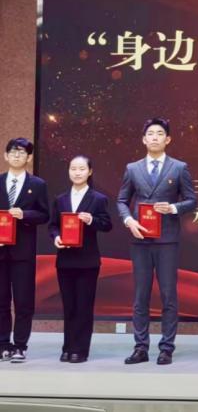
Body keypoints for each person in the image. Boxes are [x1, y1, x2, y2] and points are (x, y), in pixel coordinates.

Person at [117, 118, 197, 365]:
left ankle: (166, 347)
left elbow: (192, 200)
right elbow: (122, 200)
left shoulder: (179, 167)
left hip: (167, 240)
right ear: (144, 139)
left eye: (159, 133)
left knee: (168, 295)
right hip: (140, 239)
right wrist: (129, 221)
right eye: (150, 133)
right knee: (140, 295)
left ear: (167, 139)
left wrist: (173, 207)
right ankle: (140, 347)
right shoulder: (132, 168)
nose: (154, 137)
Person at [48, 155, 112, 363]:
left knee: (84, 306)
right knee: (69, 306)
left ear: (89, 172)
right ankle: (67, 347)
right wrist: (56, 237)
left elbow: (107, 224)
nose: (77, 172)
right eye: (73, 168)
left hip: (87, 261)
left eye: (82, 169)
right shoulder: (60, 199)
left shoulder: (98, 198)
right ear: (69, 171)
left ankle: (80, 349)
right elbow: (53, 225)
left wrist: (91, 219)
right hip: (65, 260)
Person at [0, 138, 49, 362]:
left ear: (29, 157)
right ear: (5, 156)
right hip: (0, 251)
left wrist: (25, 214)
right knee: (1, 301)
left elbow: (44, 215)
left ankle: (20, 345)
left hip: (23, 252)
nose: (17, 156)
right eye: (13, 152)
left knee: (23, 301)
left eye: (22, 153)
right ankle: (3, 344)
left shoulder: (37, 184)